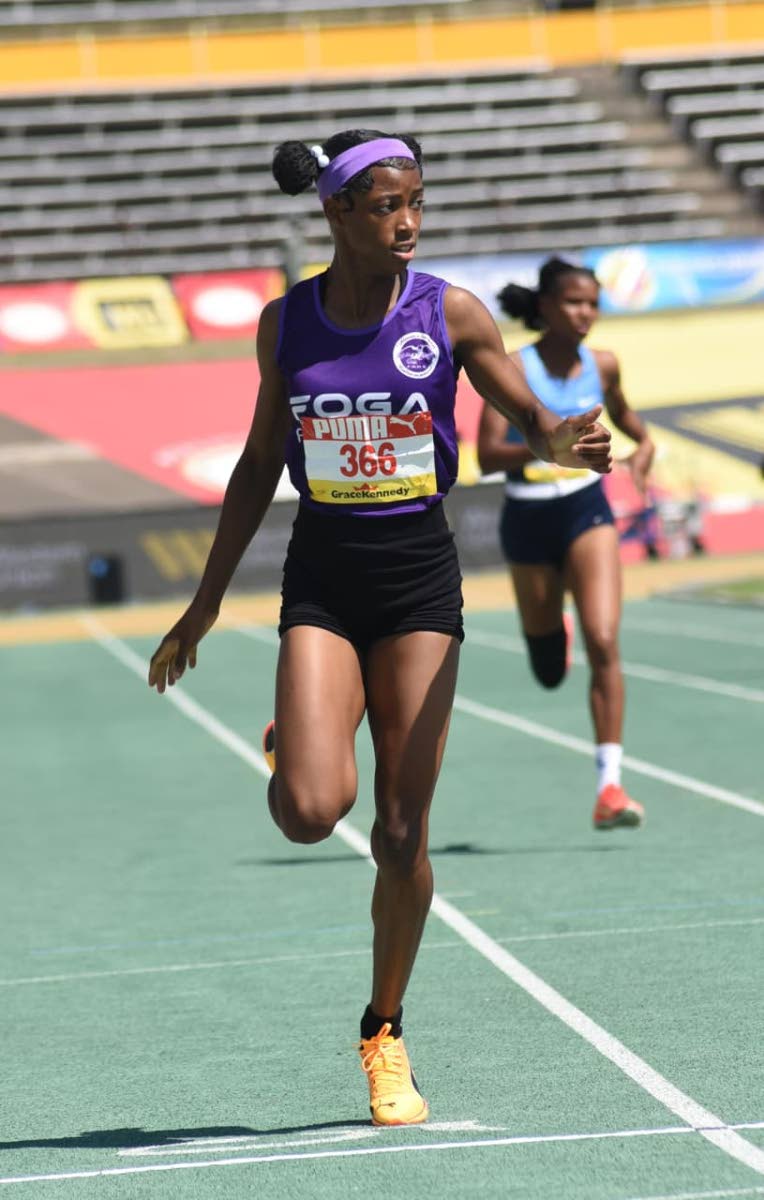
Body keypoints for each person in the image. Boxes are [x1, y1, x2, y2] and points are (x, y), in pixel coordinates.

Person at [147, 135, 612, 1126]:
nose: (406, 221)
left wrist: (559, 438)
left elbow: (522, 413)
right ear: (337, 214)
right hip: (321, 577)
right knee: (309, 812)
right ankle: (305, 731)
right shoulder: (286, 325)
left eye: (416, 203)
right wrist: (205, 601)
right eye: (386, 205)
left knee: (399, 835)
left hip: (417, 587)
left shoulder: (445, 311)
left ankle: (383, 1031)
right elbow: (254, 466)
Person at [477, 257, 654, 831]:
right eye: (574, 303)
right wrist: (551, 445)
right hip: (527, 521)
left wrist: (645, 445)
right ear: (547, 306)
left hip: (586, 511)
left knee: (605, 639)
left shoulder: (603, 364)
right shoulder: (510, 367)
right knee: (549, 669)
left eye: (593, 304)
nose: (585, 314)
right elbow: (484, 455)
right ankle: (556, 632)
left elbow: (628, 418)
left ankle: (610, 787)